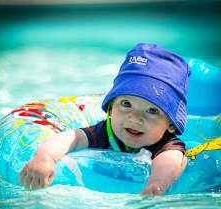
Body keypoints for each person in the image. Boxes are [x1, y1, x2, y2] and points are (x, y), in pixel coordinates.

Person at [19, 43, 191, 196]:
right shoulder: (105, 131)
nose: (135, 118)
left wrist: (156, 185)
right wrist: (44, 157)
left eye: (152, 110)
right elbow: (73, 137)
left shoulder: (168, 144)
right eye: (126, 103)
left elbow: (169, 162)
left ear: (170, 123)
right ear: (111, 107)